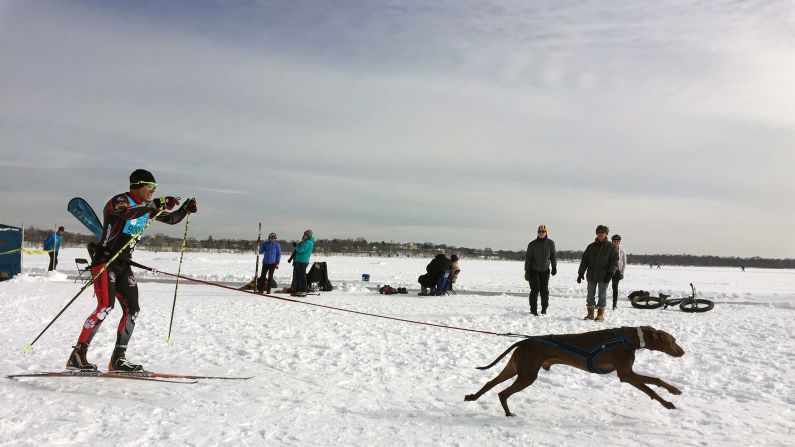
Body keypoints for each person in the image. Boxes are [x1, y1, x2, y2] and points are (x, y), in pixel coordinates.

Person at [66, 169, 198, 372]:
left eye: (155, 188)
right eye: (150, 187)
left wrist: (185, 210)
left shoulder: (145, 207)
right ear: (137, 186)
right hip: (105, 261)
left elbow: (171, 220)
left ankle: (118, 359)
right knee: (105, 307)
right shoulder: (119, 201)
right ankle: (78, 355)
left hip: (124, 264)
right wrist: (154, 205)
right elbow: (126, 213)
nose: (153, 191)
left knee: (133, 310)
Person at [577, 224, 619, 322]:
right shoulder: (591, 247)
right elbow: (584, 260)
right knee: (590, 295)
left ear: (606, 234)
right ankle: (590, 314)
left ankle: (600, 315)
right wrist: (580, 273)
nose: (600, 234)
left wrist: (610, 273)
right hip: (591, 275)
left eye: (602, 232)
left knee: (602, 295)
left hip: (604, 276)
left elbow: (615, 261)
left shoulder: (611, 247)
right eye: (598, 232)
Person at [525, 224, 557, 316]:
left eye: (543, 232)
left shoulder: (551, 243)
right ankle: (533, 309)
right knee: (535, 290)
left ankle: (544, 308)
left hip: (545, 270)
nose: (541, 233)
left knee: (544, 290)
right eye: (539, 232)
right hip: (534, 270)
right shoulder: (532, 244)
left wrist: (554, 266)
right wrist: (527, 270)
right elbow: (528, 258)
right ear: (537, 233)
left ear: (546, 232)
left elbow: (553, 256)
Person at [292, 230, 316, 297]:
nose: (303, 236)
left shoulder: (309, 242)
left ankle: (303, 291)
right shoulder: (305, 241)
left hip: (303, 261)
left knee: (302, 277)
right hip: (299, 261)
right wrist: (298, 244)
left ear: (308, 236)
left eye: (305, 235)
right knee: (298, 276)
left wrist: (296, 246)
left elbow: (301, 250)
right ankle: (299, 291)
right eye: (304, 234)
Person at [610, 234, 627, 310]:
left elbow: (624, 262)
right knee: (604, 286)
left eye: (618, 241)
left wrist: (622, 273)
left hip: (617, 271)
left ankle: (614, 304)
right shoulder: (608, 249)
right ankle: (601, 303)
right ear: (612, 241)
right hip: (608, 270)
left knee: (615, 287)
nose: (616, 242)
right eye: (615, 241)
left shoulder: (622, 250)